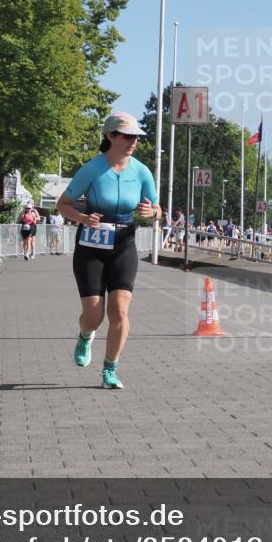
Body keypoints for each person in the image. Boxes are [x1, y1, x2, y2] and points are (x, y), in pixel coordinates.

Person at [56, 111, 160, 390]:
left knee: (120, 311)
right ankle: (85, 334)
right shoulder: (92, 169)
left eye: (136, 137)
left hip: (124, 244)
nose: (134, 142)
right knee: (94, 316)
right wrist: (82, 218)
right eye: (128, 136)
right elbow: (62, 204)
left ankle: (110, 370)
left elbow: (158, 209)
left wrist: (152, 212)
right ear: (111, 136)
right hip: (91, 245)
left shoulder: (141, 171)